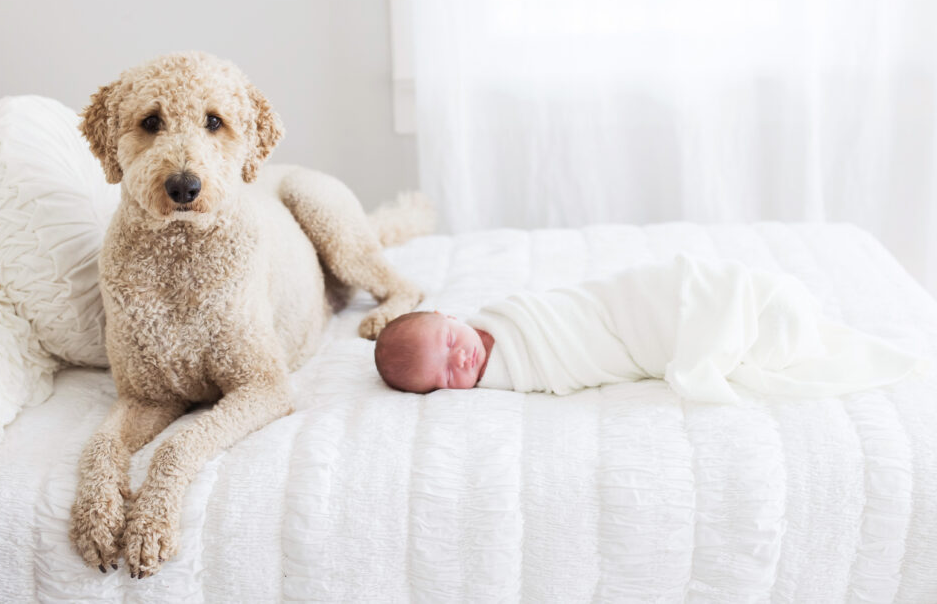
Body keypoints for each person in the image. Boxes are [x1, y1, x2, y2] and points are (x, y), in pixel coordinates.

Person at [373, 255, 925, 404]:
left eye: (450, 345)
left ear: (451, 317)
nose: (461, 363)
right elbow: (564, 361)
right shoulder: (506, 376)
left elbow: (581, 308)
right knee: (770, 328)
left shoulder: (506, 316)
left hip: (624, 303)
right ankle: (756, 318)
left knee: (686, 290)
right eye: (444, 378)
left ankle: (746, 302)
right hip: (622, 342)